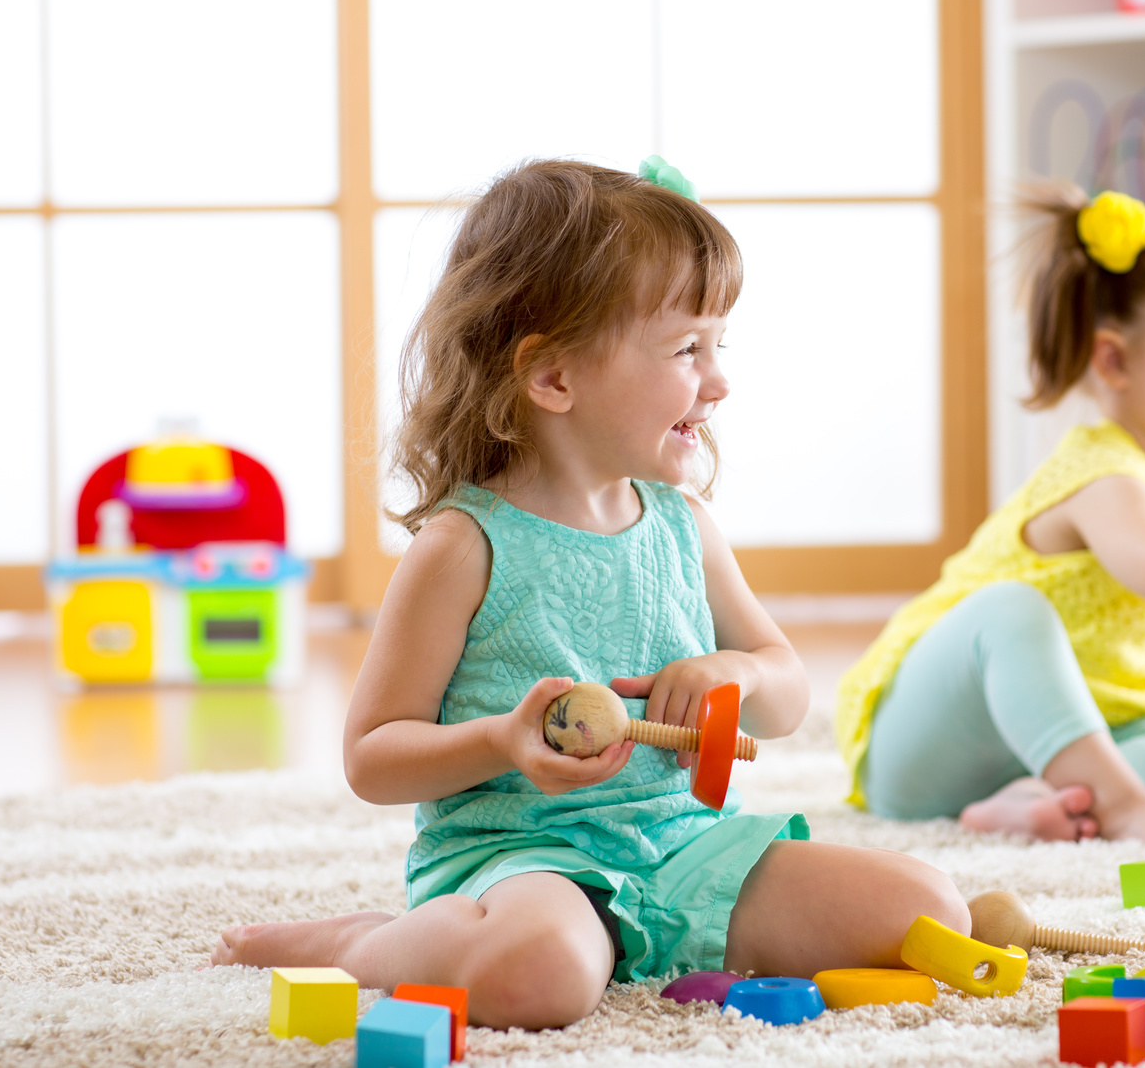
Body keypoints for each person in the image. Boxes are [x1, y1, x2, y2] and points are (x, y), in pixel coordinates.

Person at [211, 159, 967, 1030]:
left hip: (680, 849)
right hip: (525, 861)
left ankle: (636, 939)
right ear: (554, 378)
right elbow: (373, 755)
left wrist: (738, 676)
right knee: (538, 979)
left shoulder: (684, 527)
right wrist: (504, 740)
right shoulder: (464, 547)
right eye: (688, 350)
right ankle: (365, 942)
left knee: (928, 910)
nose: (718, 381)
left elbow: (787, 692)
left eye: (720, 346)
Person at [835, 187, 1145, 847]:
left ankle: (1033, 807)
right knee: (1009, 610)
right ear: (1116, 360)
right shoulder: (1102, 472)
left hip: (1047, 753)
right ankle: (1117, 806)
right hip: (928, 742)